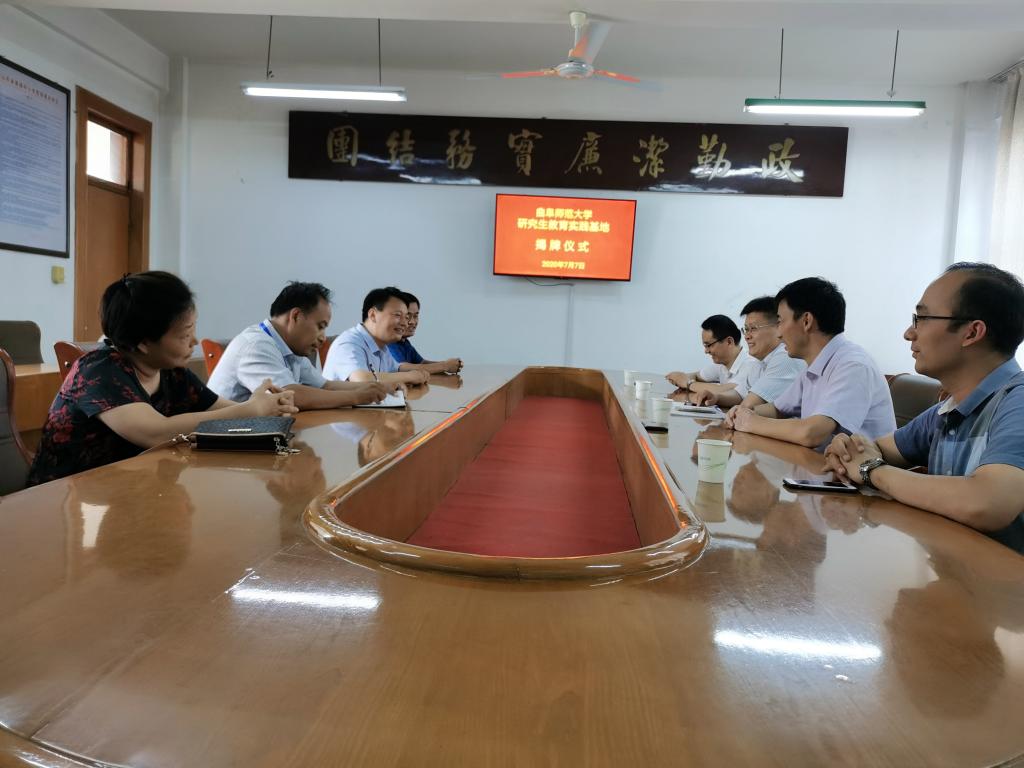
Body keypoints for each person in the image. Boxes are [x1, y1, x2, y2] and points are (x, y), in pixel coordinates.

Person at [27, 271, 297, 486]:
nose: (194, 341)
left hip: (133, 489)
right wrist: (250, 410)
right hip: (68, 499)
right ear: (144, 342)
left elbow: (224, 411)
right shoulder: (98, 371)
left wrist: (268, 408)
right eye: (184, 334)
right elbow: (155, 432)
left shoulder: (171, 372)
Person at [826, 263, 1024, 552]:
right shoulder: (948, 411)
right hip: (955, 569)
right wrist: (846, 450)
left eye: (921, 318)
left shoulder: (1017, 401)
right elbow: (874, 449)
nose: (909, 333)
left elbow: (988, 503)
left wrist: (871, 470)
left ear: (972, 332)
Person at [724, 277, 895, 448]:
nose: (779, 334)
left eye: (780, 322)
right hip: (819, 461)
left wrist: (751, 422)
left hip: (860, 465)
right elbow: (778, 409)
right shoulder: (813, 366)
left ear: (806, 321)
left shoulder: (853, 365)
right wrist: (744, 412)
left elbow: (812, 433)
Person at [208, 282, 390, 409]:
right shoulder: (256, 345)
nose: (323, 338)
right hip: (226, 444)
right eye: (320, 326)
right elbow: (290, 395)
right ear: (296, 316)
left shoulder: (289, 347)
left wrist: (374, 388)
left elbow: (325, 386)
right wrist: (356, 396)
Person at [696, 296, 805, 410]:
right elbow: (739, 394)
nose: (747, 336)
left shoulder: (785, 357)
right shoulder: (760, 362)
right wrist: (716, 397)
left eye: (753, 328)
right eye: (746, 329)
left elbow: (749, 405)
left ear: (778, 327)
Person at [323, 287, 430, 386]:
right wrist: (409, 376)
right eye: (398, 315)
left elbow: (396, 370)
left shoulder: (382, 346)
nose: (405, 323)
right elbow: (361, 379)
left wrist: (418, 374)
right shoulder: (349, 343)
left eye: (406, 317)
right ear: (373, 315)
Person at [666, 315, 759, 403]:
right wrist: (682, 379)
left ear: (729, 342)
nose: (706, 351)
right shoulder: (722, 364)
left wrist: (688, 383)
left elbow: (727, 391)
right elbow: (696, 376)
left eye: (709, 345)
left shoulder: (751, 365)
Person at [388, 291, 462, 375]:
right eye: (407, 316)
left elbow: (421, 363)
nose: (412, 322)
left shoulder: (405, 343)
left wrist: (449, 364)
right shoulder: (390, 342)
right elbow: (401, 368)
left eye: (415, 316)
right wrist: (445, 366)